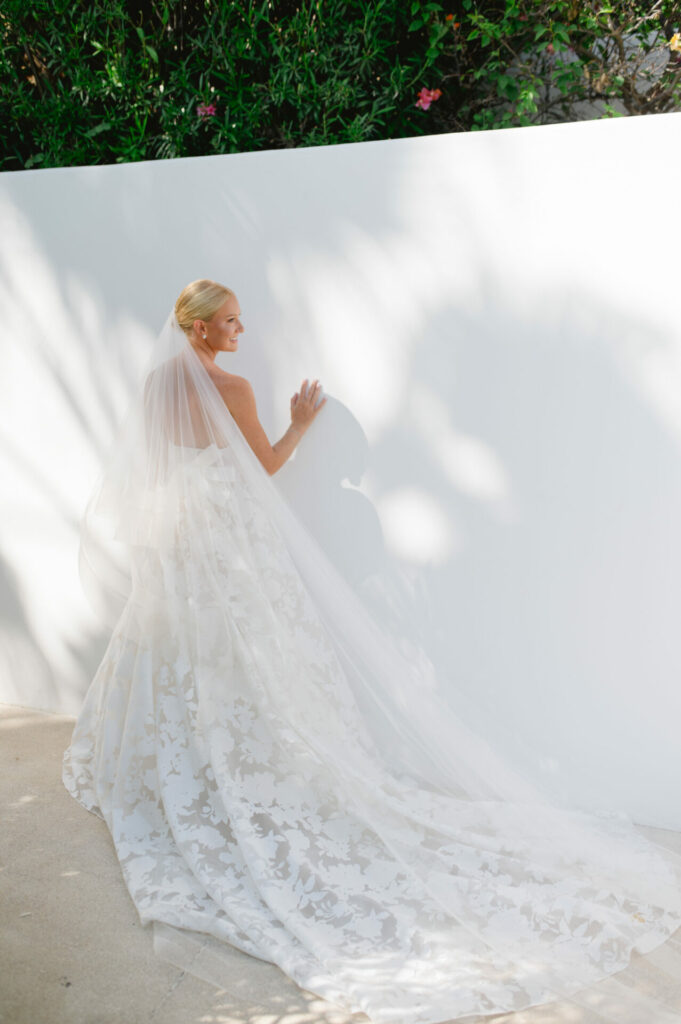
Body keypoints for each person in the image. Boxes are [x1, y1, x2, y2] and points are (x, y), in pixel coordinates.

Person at [64, 278, 681, 1024]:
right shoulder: (231, 390)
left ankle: (186, 764)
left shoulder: (158, 383)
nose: (240, 332)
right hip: (230, 543)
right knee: (255, 658)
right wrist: (296, 424)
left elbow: (153, 464)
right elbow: (261, 468)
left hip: (179, 540)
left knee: (180, 653)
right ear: (197, 330)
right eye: (229, 322)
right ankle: (246, 767)